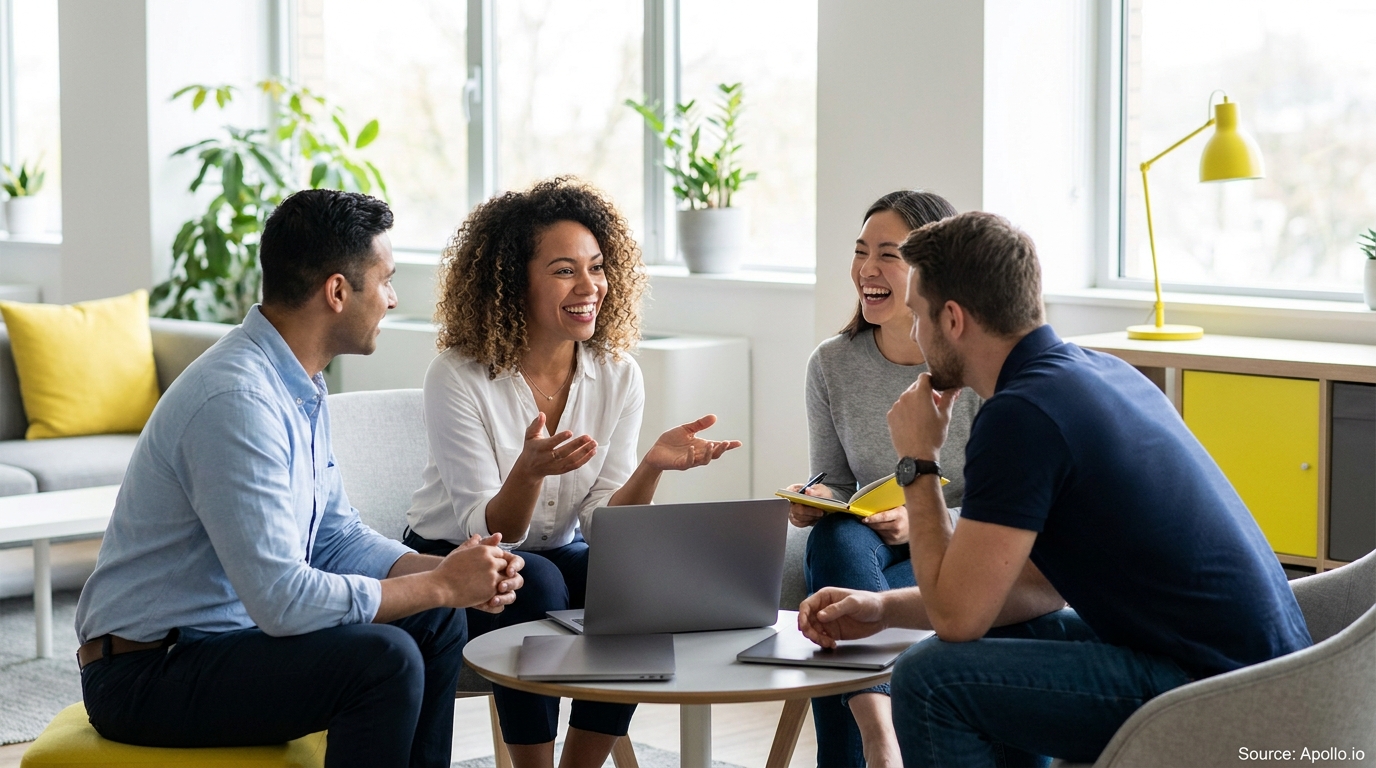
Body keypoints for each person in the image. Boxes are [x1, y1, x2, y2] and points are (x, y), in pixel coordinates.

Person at [799, 211, 1312, 767]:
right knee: (1016, 632)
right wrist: (882, 607)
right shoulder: (1098, 372)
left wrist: (918, 463)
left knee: (930, 679)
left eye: (918, 316)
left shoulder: (1022, 416)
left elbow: (957, 618)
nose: (916, 334)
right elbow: (1038, 587)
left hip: (1219, 696)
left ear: (953, 318)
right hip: (1277, 680)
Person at [73, 189, 525, 768]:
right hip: (146, 672)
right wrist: (440, 584)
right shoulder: (237, 399)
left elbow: (337, 539)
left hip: (223, 645)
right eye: (385, 281)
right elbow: (283, 600)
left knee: (435, 622)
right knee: (383, 659)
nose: (392, 300)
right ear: (337, 291)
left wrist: (452, 574)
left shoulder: (297, 385)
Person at [402, 176, 741, 768]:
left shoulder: (617, 373)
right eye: (564, 270)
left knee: (633, 578)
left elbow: (606, 522)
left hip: (555, 550)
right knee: (538, 582)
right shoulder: (458, 375)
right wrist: (528, 473)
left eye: (597, 267)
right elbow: (491, 530)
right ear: (513, 282)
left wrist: (652, 468)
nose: (590, 287)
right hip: (457, 556)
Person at [784, 189, 982, 767]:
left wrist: (926, 517)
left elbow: (1006, 508)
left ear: (931, 273)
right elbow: (840, 481)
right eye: (861, 251)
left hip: (955, 549)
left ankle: (869, 741)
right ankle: (878, 729)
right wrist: (819, 500)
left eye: (889, 254)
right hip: (867, 547)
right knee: (834, 536)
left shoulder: (971, 367)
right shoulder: (831, 363)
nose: (867, 270)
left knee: (835, 571)